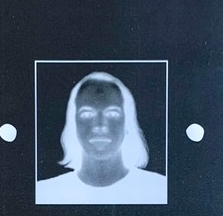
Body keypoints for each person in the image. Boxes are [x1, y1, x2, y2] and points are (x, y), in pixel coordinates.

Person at [36, 71, 167, 204]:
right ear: (73, 124)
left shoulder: (160, 190)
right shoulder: (44, 194)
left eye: (112, 114)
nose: (99, 125)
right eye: (87, 114)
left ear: (127, 123)